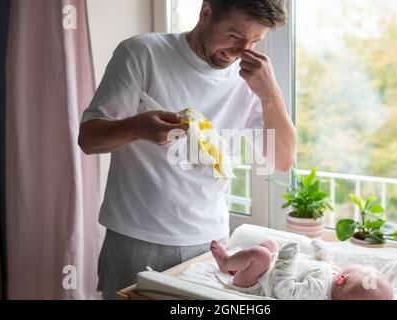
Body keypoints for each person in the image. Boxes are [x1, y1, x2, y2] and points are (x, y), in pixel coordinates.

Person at [78, 0, 296, 299]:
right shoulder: (142, 53)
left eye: (255, 41)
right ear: (205, 13)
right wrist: (137, 128)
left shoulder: (251, 80)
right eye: (234, 36)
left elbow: (282, 159)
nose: (242, 51)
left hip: (212, 243)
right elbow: (88, 139)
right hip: (135, 238)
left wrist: (271, 94)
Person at [210, 240, 394, 300]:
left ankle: (227, 263)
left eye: (362, 268)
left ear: (342, 279)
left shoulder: (318, 292)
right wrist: (324, 254)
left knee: (261, 255)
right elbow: (322, 265)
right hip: (269, 270)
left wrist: (285, 261)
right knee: (270, 245)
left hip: (255, 283)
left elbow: (285, 291)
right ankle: (239, 266)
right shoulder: (332, 276)